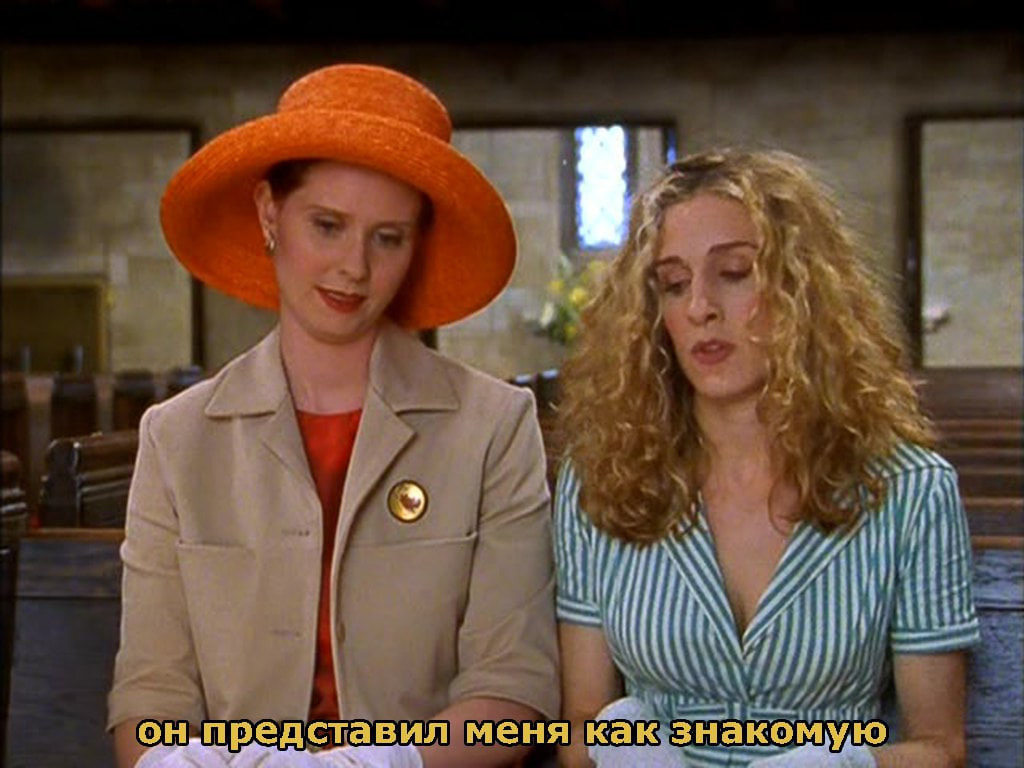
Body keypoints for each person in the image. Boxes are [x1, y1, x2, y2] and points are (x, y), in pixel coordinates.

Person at [107, 63, 559, 768]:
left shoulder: (493, 426)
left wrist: (387, 763)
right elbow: (149, 692)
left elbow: (514, 686)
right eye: (328, 225)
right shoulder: (177, 437)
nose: (354, 267)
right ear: (269, 214)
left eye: (388, 238)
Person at [554, 149, 978, 767]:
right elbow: (579, 728)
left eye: (734, 273)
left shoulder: (910, 490)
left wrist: (836, 765)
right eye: (674, 284)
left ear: (801, 290)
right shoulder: (601, 480)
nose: (700, 307)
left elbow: (940, 748)